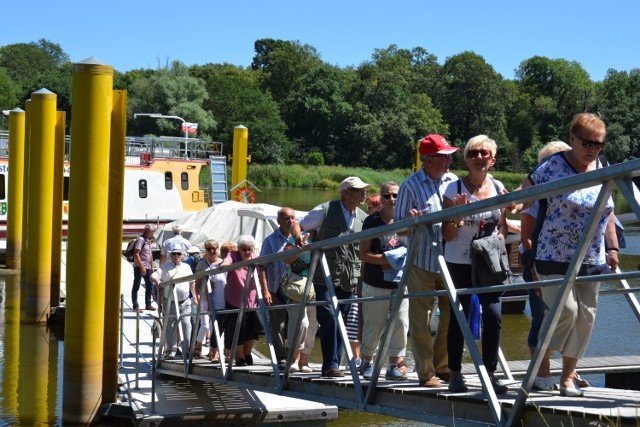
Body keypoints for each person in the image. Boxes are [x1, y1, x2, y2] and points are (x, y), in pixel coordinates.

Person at [526, 113, 618, 397]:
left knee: (585, 318)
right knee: (566, 312)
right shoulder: (553, 166)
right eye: (586, 143)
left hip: (591, 256)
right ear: (572, 139)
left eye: (598, 144)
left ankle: (567, 377)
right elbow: (524, 195)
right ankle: (540, 361)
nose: (592, 149)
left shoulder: (602, 167)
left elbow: (609, 211)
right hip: (553, 253)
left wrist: (613, 248)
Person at [442, 134, 509, 394]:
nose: (479, 157)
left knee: (494, 316)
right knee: (459, 316)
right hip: (458, 261)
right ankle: (455, 373)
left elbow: (502, 224)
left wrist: (499, 239)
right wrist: (456, 214)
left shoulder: (498, 187)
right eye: (473, 153)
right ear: (466, 160)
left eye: (484, 153)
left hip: (488, 263)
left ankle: (489, 374)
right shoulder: (453, 190)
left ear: (492, 159)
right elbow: (446, 235)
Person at [394, 134, 458, 387]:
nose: (449, 162)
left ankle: (443, 367)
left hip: (449, 258)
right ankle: (425, 372)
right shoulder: (410, 185)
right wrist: (411, 221)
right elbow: (399, 229)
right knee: (421, 320)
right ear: (429, 160)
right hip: (421, 260)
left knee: (452, 313)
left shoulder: (452, 181)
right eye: (444, 157)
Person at [292, 176, 370, 377]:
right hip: (323, 277)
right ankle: (331, 365)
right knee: (329, 318)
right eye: (359, 190)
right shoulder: (325, 209)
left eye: (364, 190)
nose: (364, 194)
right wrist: (298, 237)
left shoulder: (363, 217)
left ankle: (335, 364)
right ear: (346, 192)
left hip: (349, 278)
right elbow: (298, 224)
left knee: (342, 320)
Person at [520, 141, 571, 391]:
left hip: (563, 264)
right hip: (537, 265)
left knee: (568, 317)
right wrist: (532, 271)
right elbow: (526, 239)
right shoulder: (536, 198)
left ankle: (568, 373)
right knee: (541, 317)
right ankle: (542, 372)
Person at [359, 181, 409, 381]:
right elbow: (363, 254)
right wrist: (384, 260)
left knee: (401, 323)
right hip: (375, 281)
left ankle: (393, 365)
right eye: (387, 196)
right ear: (381, 198)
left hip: (400, 282)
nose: (392, 199)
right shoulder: (372, 222)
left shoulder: (406, 221)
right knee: (375, 323)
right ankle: (367, 362)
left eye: (396, 195)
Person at [258, 207, 302, 370]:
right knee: (278, 325)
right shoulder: (270, 241)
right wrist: (265, 290)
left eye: (292, 217)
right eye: (286, 218)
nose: (290, 221)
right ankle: (281, 357)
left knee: (296, 324)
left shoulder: (300, 238)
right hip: (276, 289)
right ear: (278, 222)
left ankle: (293, 356)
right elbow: (261, 266)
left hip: (296, 289)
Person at [221, 235, 261, 366]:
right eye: (243, 249)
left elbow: (262, 273)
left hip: (251, 300)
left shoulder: (255, 258)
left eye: (249, 249)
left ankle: (247, 353)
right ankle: (239, 357)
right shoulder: (233, 255)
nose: (246, 252)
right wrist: (225, 264)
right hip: (235, 299)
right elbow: (227, 261)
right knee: (236, 328)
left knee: (251, 329)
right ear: (239, 249)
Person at [152, 243, 196, 360]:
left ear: (182, 255)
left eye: (178, 254)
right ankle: (171, 352)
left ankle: (186, 351)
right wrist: (157, 281)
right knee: (170, 327)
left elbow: (192, 282)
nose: (176, 256)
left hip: (185, 302)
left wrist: (195, 297)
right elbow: (153, 275)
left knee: (187, 326)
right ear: (170, 255)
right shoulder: (165, 267)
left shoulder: (187, 267)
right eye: (174, 254)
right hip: (170, 302)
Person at [283, 232, 318, 373]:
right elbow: (285, 259)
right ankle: (294, 360)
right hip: (297, 286)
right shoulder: (299, 236)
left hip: (317, 287)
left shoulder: (327, 235)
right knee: (301, 323)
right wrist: (301, 249)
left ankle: (304, 361)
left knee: (313, 324)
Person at [193, 239, 224, 360]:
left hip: (220, 299)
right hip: (205, 299)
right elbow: (197, 282)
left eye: (214, 248)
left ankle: (213, 351)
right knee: (205, 325)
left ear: (218, 249)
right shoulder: (202, 264)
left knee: (215, 326)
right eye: (209, 249)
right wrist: (197, 296)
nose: (212, 251)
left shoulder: (223, 263)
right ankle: (198, 346)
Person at [131, 224, 156, 312]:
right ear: (149, 232)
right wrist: (142, 267)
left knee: (150, 285)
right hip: (139, 267)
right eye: (153, 231)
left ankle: (148, 304)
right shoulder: (140, 240)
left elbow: (150, 254)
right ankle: (135, 305)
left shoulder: (148, 240)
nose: (154, 233)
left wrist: (152, 266)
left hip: (148, 267)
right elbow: (136, 254)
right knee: (136, 285)